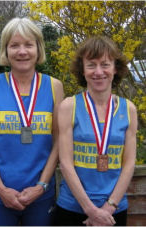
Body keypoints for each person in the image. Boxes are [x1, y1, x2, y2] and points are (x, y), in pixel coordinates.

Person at [0, 17, 64, 226]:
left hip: (40, 196)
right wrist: (0, 189)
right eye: (14, 45)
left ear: (38, 48)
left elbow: (59, 141)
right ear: (5, 50)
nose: (22, 51)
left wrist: (41, 186)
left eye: (28, 45)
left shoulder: (54, 87)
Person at [54, 36, 137, 226]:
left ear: (115, 68)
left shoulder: (129, 109)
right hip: (73, 207)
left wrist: (109, 207)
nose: (98, 72)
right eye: (91, 65)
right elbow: (65, 162)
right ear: (82, 71)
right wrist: (90, 210)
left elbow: (129, 163)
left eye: (105, 64)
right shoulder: (69, 106)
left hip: (114, 209)